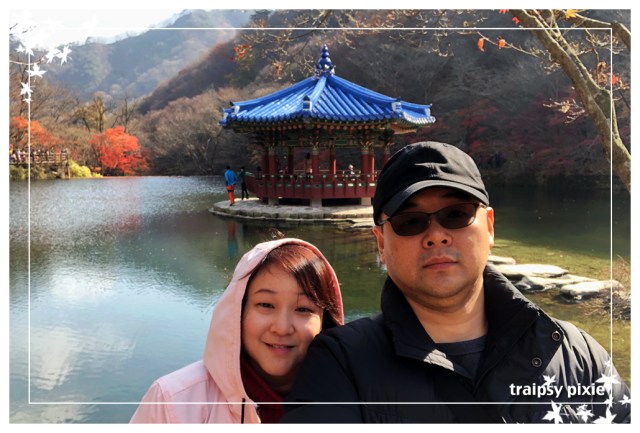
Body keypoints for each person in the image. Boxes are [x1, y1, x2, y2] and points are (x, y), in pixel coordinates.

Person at [283, 141, 630, 423]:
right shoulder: (340, 365)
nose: (436, 236)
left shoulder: (576, 355)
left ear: (489, 226)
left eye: (456, 214)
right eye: (410, 221)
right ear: (381, 244)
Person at [130, 238, 344, 423]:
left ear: (324, 321)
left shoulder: (348, 399)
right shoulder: (173, 402)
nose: (281, 328)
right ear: (238, 311)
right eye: (266, 305)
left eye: (303, 309)